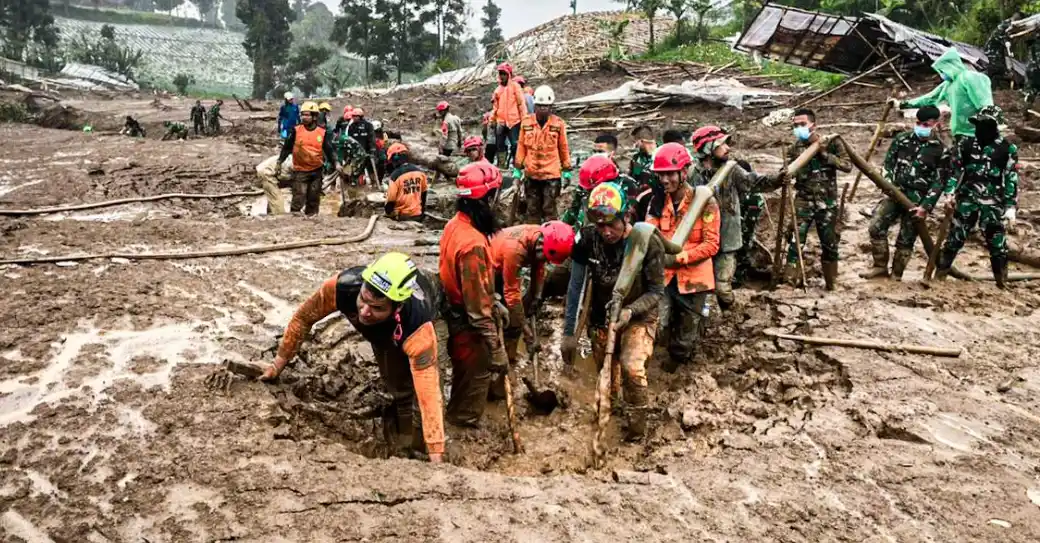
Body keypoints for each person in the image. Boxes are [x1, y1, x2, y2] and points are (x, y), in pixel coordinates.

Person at [259, 253, 446, 463]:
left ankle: (416, 449)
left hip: (436, 308)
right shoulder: (344, 287)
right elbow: (303, 318)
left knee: (420, 400)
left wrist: (436, 457)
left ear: (397, 307)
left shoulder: (418, 327)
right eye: (363, 300)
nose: (365, 312)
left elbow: (429, 396)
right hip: (387, 334)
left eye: (377, 308)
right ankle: (402, 440)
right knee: (399, 388)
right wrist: (277, 364)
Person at [561, 182, 664, 440]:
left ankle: (636, 432)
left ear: (626, 216)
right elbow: (576, 286)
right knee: (607, 376)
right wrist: (569, 332)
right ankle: (612, 415)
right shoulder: (587, 239)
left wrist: (631, 311)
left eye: (612, 225)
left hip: (638, 316)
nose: (606, 232)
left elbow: (656, 291)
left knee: (632, 368)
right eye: (600, 226)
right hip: (601, 318)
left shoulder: (647, 242)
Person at [439, 162, 509, 427]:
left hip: (455, 306)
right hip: (466, 319)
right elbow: (478, 313)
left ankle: (455, 411)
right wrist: (497, 349)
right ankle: (463, 423)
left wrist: (494, 299)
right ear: (487, 198)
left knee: (463, 372)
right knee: (477, 371)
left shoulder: (454, 225)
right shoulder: (473, 245)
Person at [646, 142, 721, 372]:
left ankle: (677, 366)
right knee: (657, 324)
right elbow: (650, 234)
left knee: (686, 336)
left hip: (694, 281)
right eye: (661, 175)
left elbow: (711, 245)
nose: (665, 180)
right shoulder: (657, 201)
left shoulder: (705, 202)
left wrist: (681, 258)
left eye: (670, 174)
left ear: (684, 172)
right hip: (665, 277)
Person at [690, 125, 781, 307]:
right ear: (709, 148)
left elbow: (754, 182)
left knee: (723, 287)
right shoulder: (693, 174)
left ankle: (729, 312)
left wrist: (779, 179)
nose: (728, 148)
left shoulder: (732, 170)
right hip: (700, 241)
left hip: (726, 238)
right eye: (722, 144)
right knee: (701, 288)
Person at [930, 106, 1019, 288]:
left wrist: (1010, 207)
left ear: (995, 126)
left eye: (985, 124)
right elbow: (955, 170)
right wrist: (949, 193)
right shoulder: (966, 144)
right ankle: (940, 276)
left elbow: (1011, 178)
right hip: (967, 200)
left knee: (997, 245)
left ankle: (1002, 282)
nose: (980, 128)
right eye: (979, 124)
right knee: (954, 239)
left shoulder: (1007, 149)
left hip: (993, 203)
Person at [860, 105, 947, 280]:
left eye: (926, 124)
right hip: (895, 193)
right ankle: (880, 267)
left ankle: (897, 274)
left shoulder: (941, 150)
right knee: (876, 227)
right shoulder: (902, 140)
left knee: (906, 239)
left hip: (917, 201)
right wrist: (889, 185)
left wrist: (926, 206)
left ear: (936, 124)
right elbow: (888, 165)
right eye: (918, 123)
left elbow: (940, 182)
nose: (921, 127)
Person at [491, 221, 574, 370]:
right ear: (542, 246)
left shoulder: (540, 237)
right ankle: (504, 360)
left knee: (516, 316)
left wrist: (536, 297)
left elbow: (539, 268)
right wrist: (527, 333)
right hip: (490, 268)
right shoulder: (515, 250)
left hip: (505, 263)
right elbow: (512, 294)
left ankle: (512, 354)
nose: (545, 261)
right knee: (505, 318)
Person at [785, 108, 852, 290]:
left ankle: (832, 283)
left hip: (827, 203)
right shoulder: (794, 148)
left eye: (802, 124)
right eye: (795, 125)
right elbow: (789, 172)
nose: (798, 128)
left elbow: (847, 166)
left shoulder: (831, 143)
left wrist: (824, 154)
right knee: (794, 241)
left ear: (813, 125)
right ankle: (791, 282)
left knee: (829, 244)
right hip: (803, 200)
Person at [893, 48, 993, 142]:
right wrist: (902, 104)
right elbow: (929, 98)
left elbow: (984, 102)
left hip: (977, 133)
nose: (941, 74)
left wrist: (989, 123)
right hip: (959, 132)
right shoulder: (948, 85)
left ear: (951, 66)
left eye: (942, 71)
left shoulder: (969, 77)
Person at [514, 85, 572, 224]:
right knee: (532, 210)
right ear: (535, 105)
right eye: (540, 106)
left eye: (546, 106)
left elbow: (563, 147)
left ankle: (550, 238)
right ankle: (533, 238)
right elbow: (521, 146)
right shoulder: (526, 123)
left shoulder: (558, 124)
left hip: (551, 175)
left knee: (549, 210)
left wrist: (567, 170)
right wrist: (517, 170)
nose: (543, 109)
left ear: (551, 107)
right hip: (532, 174)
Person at [276, 101, 335, 216]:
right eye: (303, 115)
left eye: (307, 115)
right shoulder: (296, 130)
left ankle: (312, 219)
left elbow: (329, 150)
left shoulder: (322, 132)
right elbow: (287, 148)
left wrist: (336, 163)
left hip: (316, 170)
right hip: (300, 170)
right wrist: (279, 162)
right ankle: (295, 218)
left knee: (313, 197)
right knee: (299, 196)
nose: (304, 117)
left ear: (314, 117)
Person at [561, 154, 616, 228]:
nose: (588, 191)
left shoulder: (622, 191)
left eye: (591, 190)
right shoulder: (583, 189)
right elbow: (572, 211)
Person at [491, 63, 527, 167]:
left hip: (514, 121)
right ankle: (502, 164)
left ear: (509, 74)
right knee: (500, 144)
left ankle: (518, 164)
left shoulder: (515, 87)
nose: (502, 76)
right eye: (500, 74)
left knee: (515, 144)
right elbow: (495, 107)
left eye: (504, 74)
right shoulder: (497, 90)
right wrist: (492, 119)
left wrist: (524, 119)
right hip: (501, 121)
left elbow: (521, 104)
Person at [384, 143, 428, 221]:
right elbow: (424, 194)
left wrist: (387, 211)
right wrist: (422, 212)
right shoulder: (420, 172)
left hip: (403, 216)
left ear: (394, 159)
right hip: (417, 215)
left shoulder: (395, 176)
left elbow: (391, 199)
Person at [984, 14, 1019, 88]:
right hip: (992, 49)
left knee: (1001, 67)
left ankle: (995, 86)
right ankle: (983, 80)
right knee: (995, 67)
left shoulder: (1011, 24)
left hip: (999, 50)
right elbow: (1005, 40)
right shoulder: (1004, 25)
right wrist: (1009, 50)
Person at [348, 108, 377, 184]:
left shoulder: (368, 125)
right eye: (353, 116)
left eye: (355, 116)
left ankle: (374, 184)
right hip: (357, 154)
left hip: (367, 152)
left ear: (360, 116)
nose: (353, 118)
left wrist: (372, 150)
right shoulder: (351, 127)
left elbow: (372, 138)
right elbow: (349, 140)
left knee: (371, 169)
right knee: (357, 171)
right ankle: (359, 186)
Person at [1025, 39, 1040, 111]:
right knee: (1032, 91)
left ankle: (1027, 110)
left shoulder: (1032, 48)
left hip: (1032, 72)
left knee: (1031, 91)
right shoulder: (1036, 47)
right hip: (1035, 72)